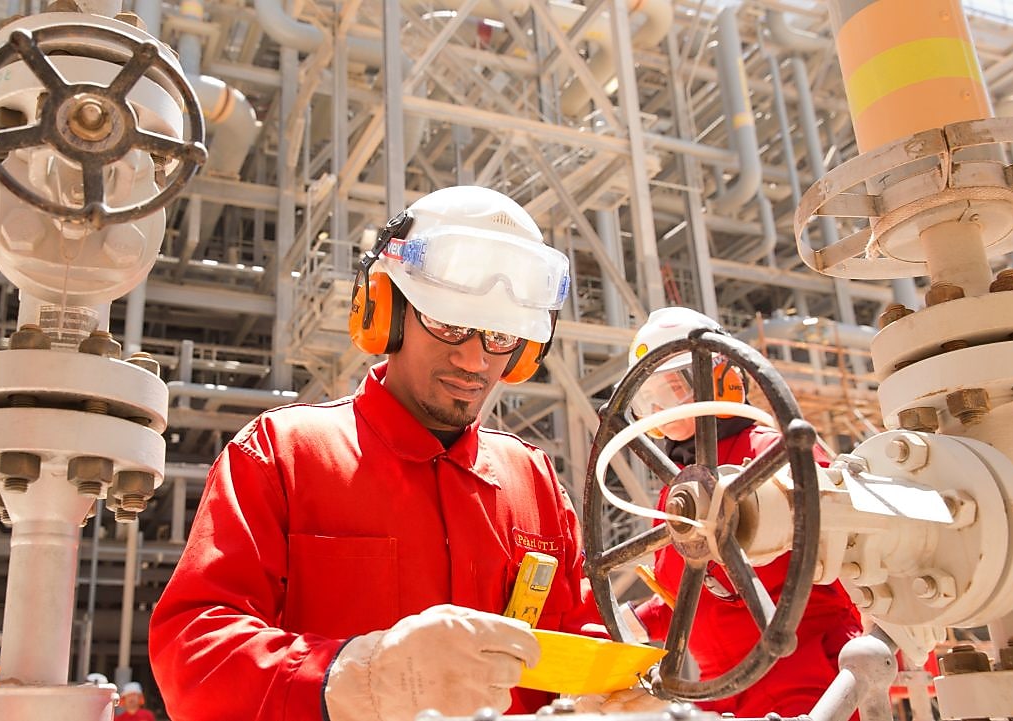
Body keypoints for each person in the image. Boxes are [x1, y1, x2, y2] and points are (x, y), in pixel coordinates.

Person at [149, 186, 650, 720]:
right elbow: (193, 653)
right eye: (449, 324)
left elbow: (578, 634)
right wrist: (357, 678)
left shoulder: (533, 479)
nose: (474, 360)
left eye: (500, 336)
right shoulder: (284, 454)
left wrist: (615, 683)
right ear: (388, 312)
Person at [623, 306, 862, 716]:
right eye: (648, 399)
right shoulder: (678, 487)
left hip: (806, 672)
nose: (661, 408)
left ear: (721, 379)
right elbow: (695, 591)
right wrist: (634, 622)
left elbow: (849, 545)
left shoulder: (770, 453)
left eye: (673, 389)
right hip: (720, 690)